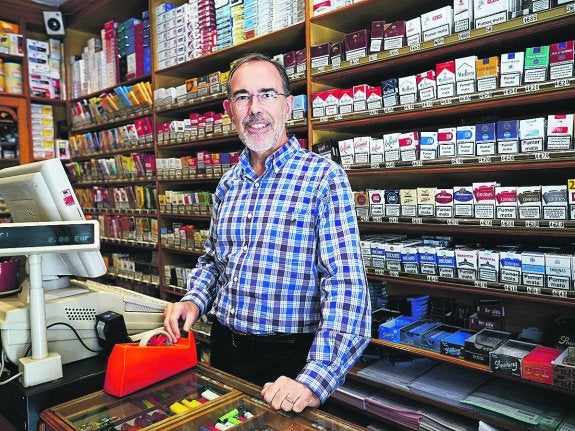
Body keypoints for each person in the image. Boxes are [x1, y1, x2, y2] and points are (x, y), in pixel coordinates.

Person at [163, 52, 371, 413]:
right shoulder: (228, 184)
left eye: (267, 95)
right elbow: (213, 261)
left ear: (288, 106)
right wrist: (193, 300)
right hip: (225, 348)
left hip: (290, 362)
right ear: (230, 110)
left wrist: (315, 378)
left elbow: (346, 284)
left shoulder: (323, 177)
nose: (255, 108)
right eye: (243, 97)